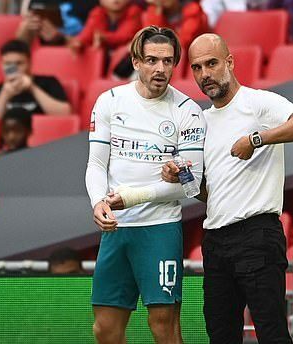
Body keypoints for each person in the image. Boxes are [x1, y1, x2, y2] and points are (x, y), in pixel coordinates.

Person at [158, 33, 293, 343]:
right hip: (217, 239)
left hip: (257, 233)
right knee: (220, 335)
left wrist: (256, 139)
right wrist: (182, 177)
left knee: (271, 333)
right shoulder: (201, 121)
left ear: (229, 62)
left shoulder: (256, 102)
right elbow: (209, 193)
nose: (205, 74)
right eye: (197, 67)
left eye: (212, 63)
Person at [85, 26, 205, 344]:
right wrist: (99, 201)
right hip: (117, 230)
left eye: (167, 62)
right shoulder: (110, 101)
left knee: (164, 327)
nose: (160, 69)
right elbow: (96, 164)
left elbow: (192, 185)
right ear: (136, 61)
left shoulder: (188, 112)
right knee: (105, 329)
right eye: (152, 60)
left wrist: (133, 197)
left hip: (160, 228)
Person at [0, 39, 71, 118]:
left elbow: (65, 114)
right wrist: (5, 94)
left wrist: (32, 88)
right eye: (8, 64)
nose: (13, 68)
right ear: (1, 64)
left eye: (19, 63)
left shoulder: (49, 82)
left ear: (29, 62)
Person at [69, 0, 143, 53]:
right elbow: (88, 32)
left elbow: (127, 35)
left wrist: (104, 37)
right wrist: (79, 42)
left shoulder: (134, 11)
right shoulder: (97, 12)